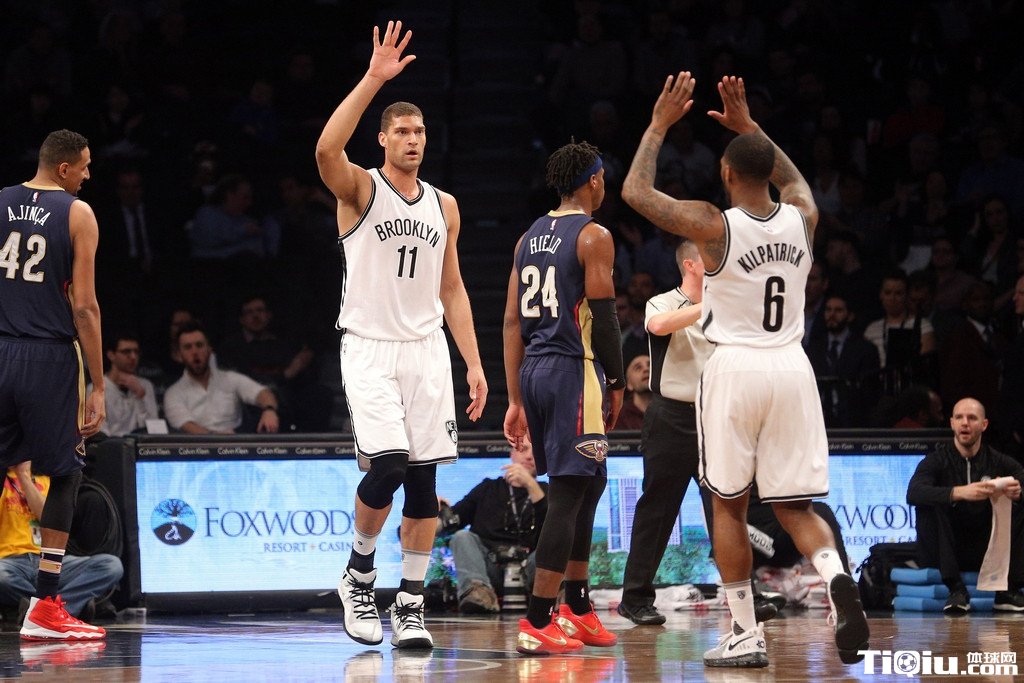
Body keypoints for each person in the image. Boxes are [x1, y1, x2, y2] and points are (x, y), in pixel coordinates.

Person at [622, 74, 868, 667]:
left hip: (735, 367)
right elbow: (795, 181)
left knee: (727, 505)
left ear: (727, 173)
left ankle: (744, 632)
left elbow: (635, 192)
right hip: (792, 367)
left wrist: (658, 124)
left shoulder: (714, 225)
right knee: (795, 507)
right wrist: (750, 125)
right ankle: (836, 576)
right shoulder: (804, 216)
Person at [315, 21, 487, 650]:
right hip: (369, 346)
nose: (414, 139)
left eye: (420, 131)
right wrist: (372, 79)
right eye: (403, 131)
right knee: (386, 463)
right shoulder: (361, 188)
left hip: (427, 350)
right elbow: (325, 152)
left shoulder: (445, 205)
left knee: (424, 485)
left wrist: (473, 363)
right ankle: (359, 574)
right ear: (383, 139)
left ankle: (409, 605)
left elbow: (453, 289)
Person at [503, 139, 624, 655]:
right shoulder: (594, 236)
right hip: (574, 368)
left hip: (534, 369)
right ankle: (538, 618)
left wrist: (514, 398)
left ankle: (577, 605)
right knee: (570, 492)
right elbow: (607, 318)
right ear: (593, 180)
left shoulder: (527, 236)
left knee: (589, 483)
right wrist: (617, 382)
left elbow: (512, 322)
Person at [0, 129, 107, 640]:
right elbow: (84, 306)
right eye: (84, 166)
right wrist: (99, 385)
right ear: (63, 168)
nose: (87, 175)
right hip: (48, 355)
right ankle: (45, 607)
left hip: (1, 348)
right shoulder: (77, 213)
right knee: (66, 474)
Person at [617, 239, 714, 625]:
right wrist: (709, 305)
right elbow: (657, 326)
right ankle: (635, 598)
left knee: (726, 507)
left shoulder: (728, 303)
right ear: (690, 264)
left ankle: (747, 592)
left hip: (714, 416)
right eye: (711, 255)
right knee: (657, 509)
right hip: (670, 416)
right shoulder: (662, 301)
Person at [907, 397, 1024, 614]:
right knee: (932, 504)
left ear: (984, 425)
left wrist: (1018, 493)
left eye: (972, 418)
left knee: (1017, 504)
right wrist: (958, 492)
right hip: (945, 550)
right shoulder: (935, 461)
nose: (965, 423)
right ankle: (956, 590)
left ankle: (1007, 591)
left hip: (986, 548)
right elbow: (913, 493)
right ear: (952, 423)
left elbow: (1020, 478)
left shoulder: (999, 461)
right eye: (959, 417)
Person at [0, 463, 122, 620]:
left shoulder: (47, 480)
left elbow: (48, 518)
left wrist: (24, 477)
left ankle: (42, 610)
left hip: (49, 560)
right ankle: (64, 607)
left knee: (111, 565)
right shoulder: (3, 481)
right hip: (10, 562)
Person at [438, 441, 547, 613]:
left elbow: (556, 532)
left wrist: (531, 485)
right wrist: (428, 514)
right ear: (512, 454)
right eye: (523, 449)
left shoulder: (547, 492)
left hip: (533, 570)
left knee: (560, 539)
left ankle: (555, 597)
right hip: (489, 569)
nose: (529, 456)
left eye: (536, 452)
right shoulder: (488, 488)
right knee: (462, 537)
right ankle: (478, 594)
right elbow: (450, 523)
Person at [162, 322, 279, 435]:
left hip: (235, 443)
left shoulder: (231, 379)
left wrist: (269, 410)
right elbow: (188, 427)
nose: (195, 352)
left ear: (210, 349)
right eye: (188, 347)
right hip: (198, 446)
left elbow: (263, 393)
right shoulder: (173, 394)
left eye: (199, 345)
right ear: (179, 355)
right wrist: (219, 438)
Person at [806, 294, 881, 427]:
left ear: (850, 316)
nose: (832, 315)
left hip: (854, 421)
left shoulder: (865, 349)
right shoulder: (812, 349)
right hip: (817, 420)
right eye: (828, 310)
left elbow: (870, 392)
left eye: (838, 310)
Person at [98, 332, 159, 436]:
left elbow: (155, 429)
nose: (133, 357)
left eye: (136, 352)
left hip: (140, 443)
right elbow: (100, 431)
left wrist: (140, 395)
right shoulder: (97, 388)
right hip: (112, 443)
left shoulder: (145, 385)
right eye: (126, 352)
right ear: (111, 355)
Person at [613, 354, 651, 430]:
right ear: (629, 384)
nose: (646, 369)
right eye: (638, 368)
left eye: (650, 365)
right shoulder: (619, 418)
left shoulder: (670, 412)